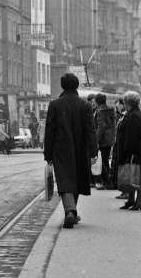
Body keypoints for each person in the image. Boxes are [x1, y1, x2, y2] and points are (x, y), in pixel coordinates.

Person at [44, 73, 99, 228]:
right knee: (76, 179)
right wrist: (94, 151)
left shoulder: (55, 104)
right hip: (80, 148)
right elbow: (90, 130)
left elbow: (50, 131)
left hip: (60, 149)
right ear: (77, 85)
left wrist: (48, 153)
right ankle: (71, 211)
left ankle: (70, 211)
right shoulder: (85, 105)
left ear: (62, 85)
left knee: (64, 180)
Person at [115, 91, 141, 209]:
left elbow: (132, 135)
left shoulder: (133, 115)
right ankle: (131, 200)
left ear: (128, 103)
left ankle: (138, 201)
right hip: (133, 150)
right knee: (132, 175)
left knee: (136, 175)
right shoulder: (133, 113)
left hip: (134, 151)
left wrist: (129, 151)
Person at [93, 93, 117, 190]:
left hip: (103, 139)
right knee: (105, 159)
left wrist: (96, 140)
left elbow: (101, 126)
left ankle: (107, 182)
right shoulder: (111, 110)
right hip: (109, 137)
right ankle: (106, 181)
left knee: (101, 160)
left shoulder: (100, 111)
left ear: (97, 101)